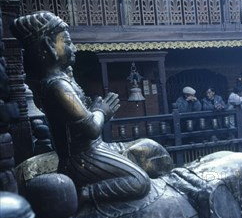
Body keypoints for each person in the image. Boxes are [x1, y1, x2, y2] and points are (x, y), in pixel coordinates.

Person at [11, 11, 173, 202]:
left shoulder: (62, 80)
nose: (74, 48)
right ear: (49, 45)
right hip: (83, 159)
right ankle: (83, 195)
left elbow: (86, 119)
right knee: (139, 181)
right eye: (68, 42)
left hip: (97, 147)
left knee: (152, 149)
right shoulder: (57, 86)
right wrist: (101, 111)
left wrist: (101, 111)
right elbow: (91, 128)